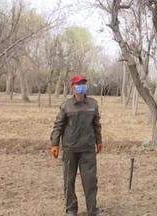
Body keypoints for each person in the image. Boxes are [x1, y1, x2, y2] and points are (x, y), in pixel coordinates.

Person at [50, 75, 103, 216]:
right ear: (73, 88)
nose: (82, 87)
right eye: (79, 85)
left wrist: (99, 141)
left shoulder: (93, 104)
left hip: (87, 149)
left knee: (91, 182)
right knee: (69, 181)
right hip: (70, 149)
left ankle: (93, 210)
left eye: (84, 84)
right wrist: (54, 144)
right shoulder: (66, 106)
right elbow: (58, 125)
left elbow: (97, 125)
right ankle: (71, 210)